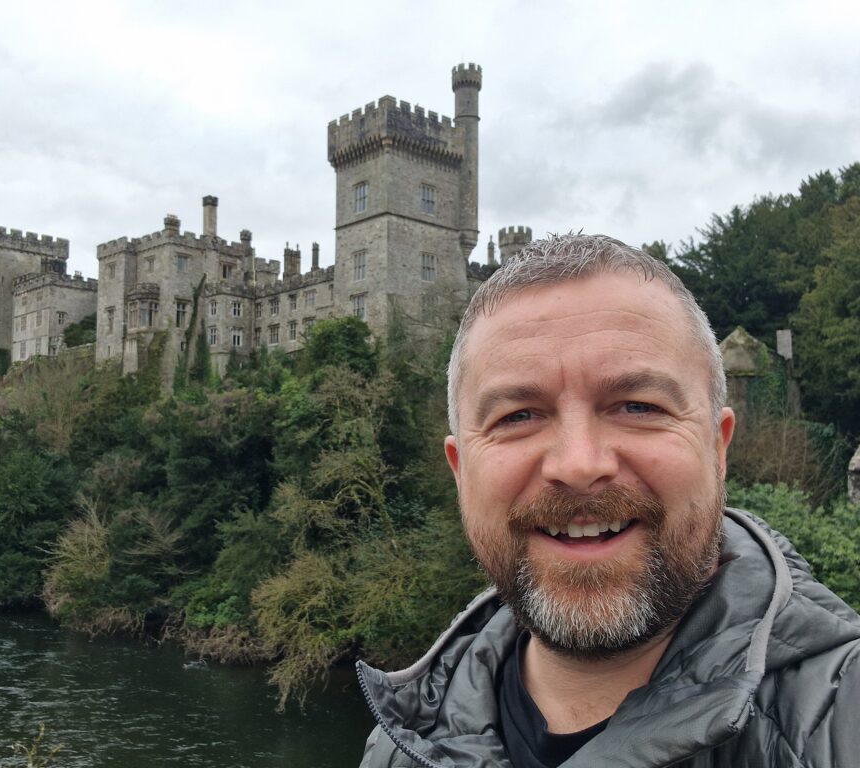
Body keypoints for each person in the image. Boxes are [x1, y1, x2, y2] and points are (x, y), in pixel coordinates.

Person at [356, 234, 860, 767]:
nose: (577, 464)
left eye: (638, 406)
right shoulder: (397, 748)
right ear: (460, 471)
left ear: (717, 447)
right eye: (518, 416)